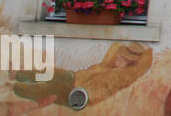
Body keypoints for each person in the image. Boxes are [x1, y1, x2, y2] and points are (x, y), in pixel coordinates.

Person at [11, 43, 153, 110]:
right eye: (120, 56)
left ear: (130, 63)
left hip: (78, 91)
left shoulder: (123, 76)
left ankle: (14, 87)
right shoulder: (108, 65)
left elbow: (145, 61)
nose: (118, 59)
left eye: (123, 58)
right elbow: (116, 46)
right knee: (51, 73)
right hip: (76, 77)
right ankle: (18, 74)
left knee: (47, 89)